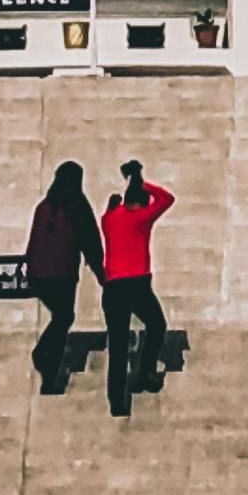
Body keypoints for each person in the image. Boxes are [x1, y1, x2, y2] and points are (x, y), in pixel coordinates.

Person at [98, 157, 174, 415]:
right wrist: (143, 181)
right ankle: (144, 374)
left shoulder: (109, 219)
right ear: (141, 203)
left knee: (117, 347)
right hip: (138, 286)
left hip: (113, 288)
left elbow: (108, 213)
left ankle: (118, 404)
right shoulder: (142, 218)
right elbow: (167, 199)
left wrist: (125, 191)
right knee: (157, 325)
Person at [21, 159, 102, 396]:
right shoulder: (76, 205)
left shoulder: (44, 206)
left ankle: (46, 362)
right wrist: (100, 272)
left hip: (39, 274)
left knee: (61, 318)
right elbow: (89, 239)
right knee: (64, 317)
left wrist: (30, 269)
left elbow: (33, 241)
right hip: (62, 273)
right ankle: (47, 370)